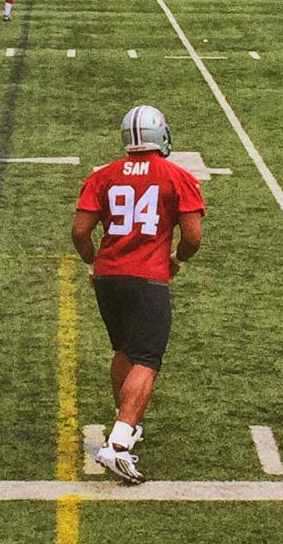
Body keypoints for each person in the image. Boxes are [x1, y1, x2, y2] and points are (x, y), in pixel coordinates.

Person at [72, 105, 205, 483]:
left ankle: (125, 423)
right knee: (146, 358)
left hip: (108, 278)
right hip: (147, 278)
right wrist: (176, 259)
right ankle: (118, 444)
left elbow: (80, 232)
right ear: (159, 134)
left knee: (125, 351)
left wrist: (93, 264)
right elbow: (193, 237)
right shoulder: (177, 176)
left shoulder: (102, 176)